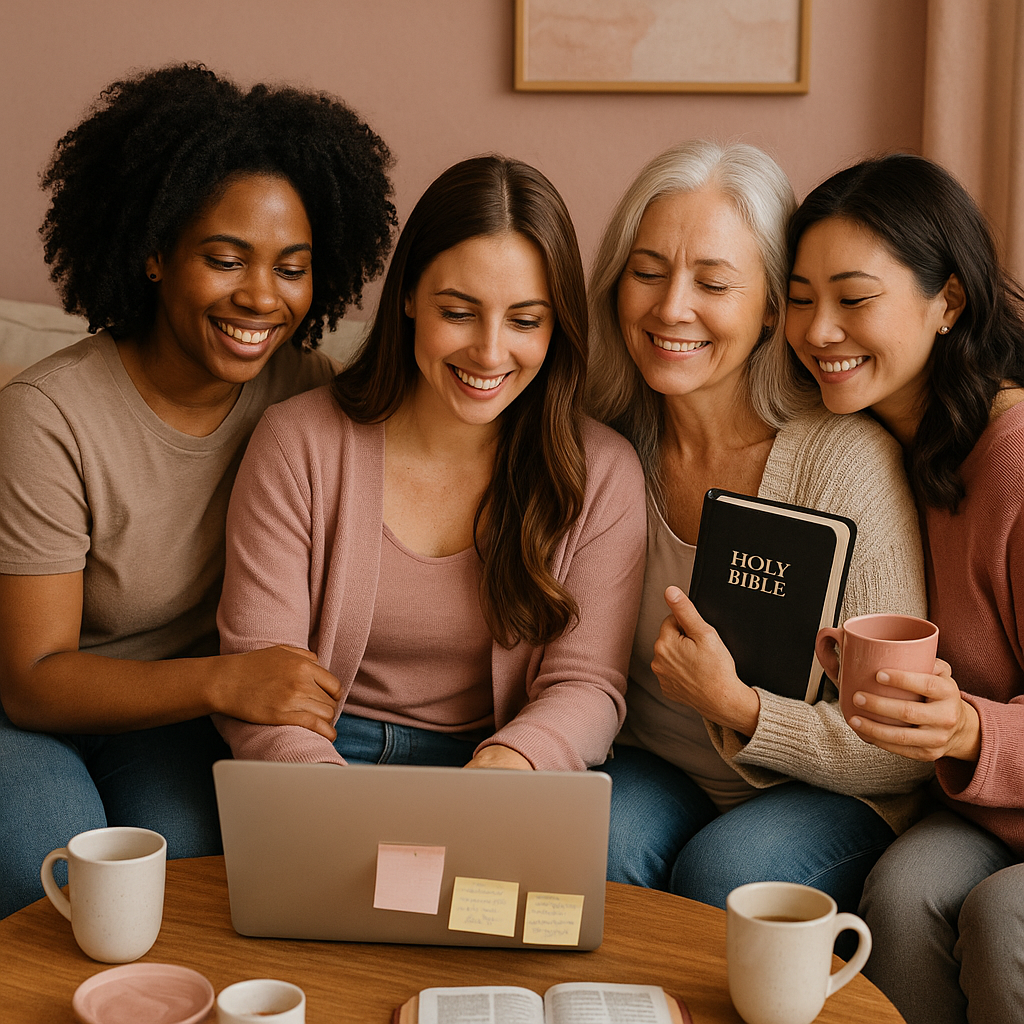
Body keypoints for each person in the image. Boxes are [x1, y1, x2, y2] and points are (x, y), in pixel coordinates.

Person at [0, 63, 396, 917]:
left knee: (195, 884)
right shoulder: (46, 416)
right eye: (225, 260)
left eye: (291, 268)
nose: (260, 297)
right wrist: (226, 681)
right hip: (31, 718)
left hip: (172, 724)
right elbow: (30, 676)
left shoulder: (302, 392)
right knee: (53, 877)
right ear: (153, 254)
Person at [585, 140, 932, 915]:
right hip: (652, 765)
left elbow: (898, 753)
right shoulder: (601, 443)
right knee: (595, 845)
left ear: (773, 307)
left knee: (727, 876)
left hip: (828, 788)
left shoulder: (845, 462)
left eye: (713, 282)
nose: (672, 307)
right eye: (647, 272)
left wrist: (742, 710)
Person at [214, 155, 647, 773]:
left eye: (525, 320)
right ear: (411, 295)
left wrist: (509, 766)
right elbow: (259, 672)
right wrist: (329, 802)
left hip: (501, 762)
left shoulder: (602, 472)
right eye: (459, 312)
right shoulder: (296, 443)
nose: (491, 351)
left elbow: (586, 687)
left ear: (557, 328)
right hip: (324, 754)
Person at [787, 153, 1024, 1024]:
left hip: (999, 790)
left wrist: (968, 727)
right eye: (800, 297)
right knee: (902, 893)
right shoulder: (898, 448)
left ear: (948, 301)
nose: (818, 330)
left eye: (854, 299)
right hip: (991, 811)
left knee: (1002, 915)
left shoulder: (1016, 460)